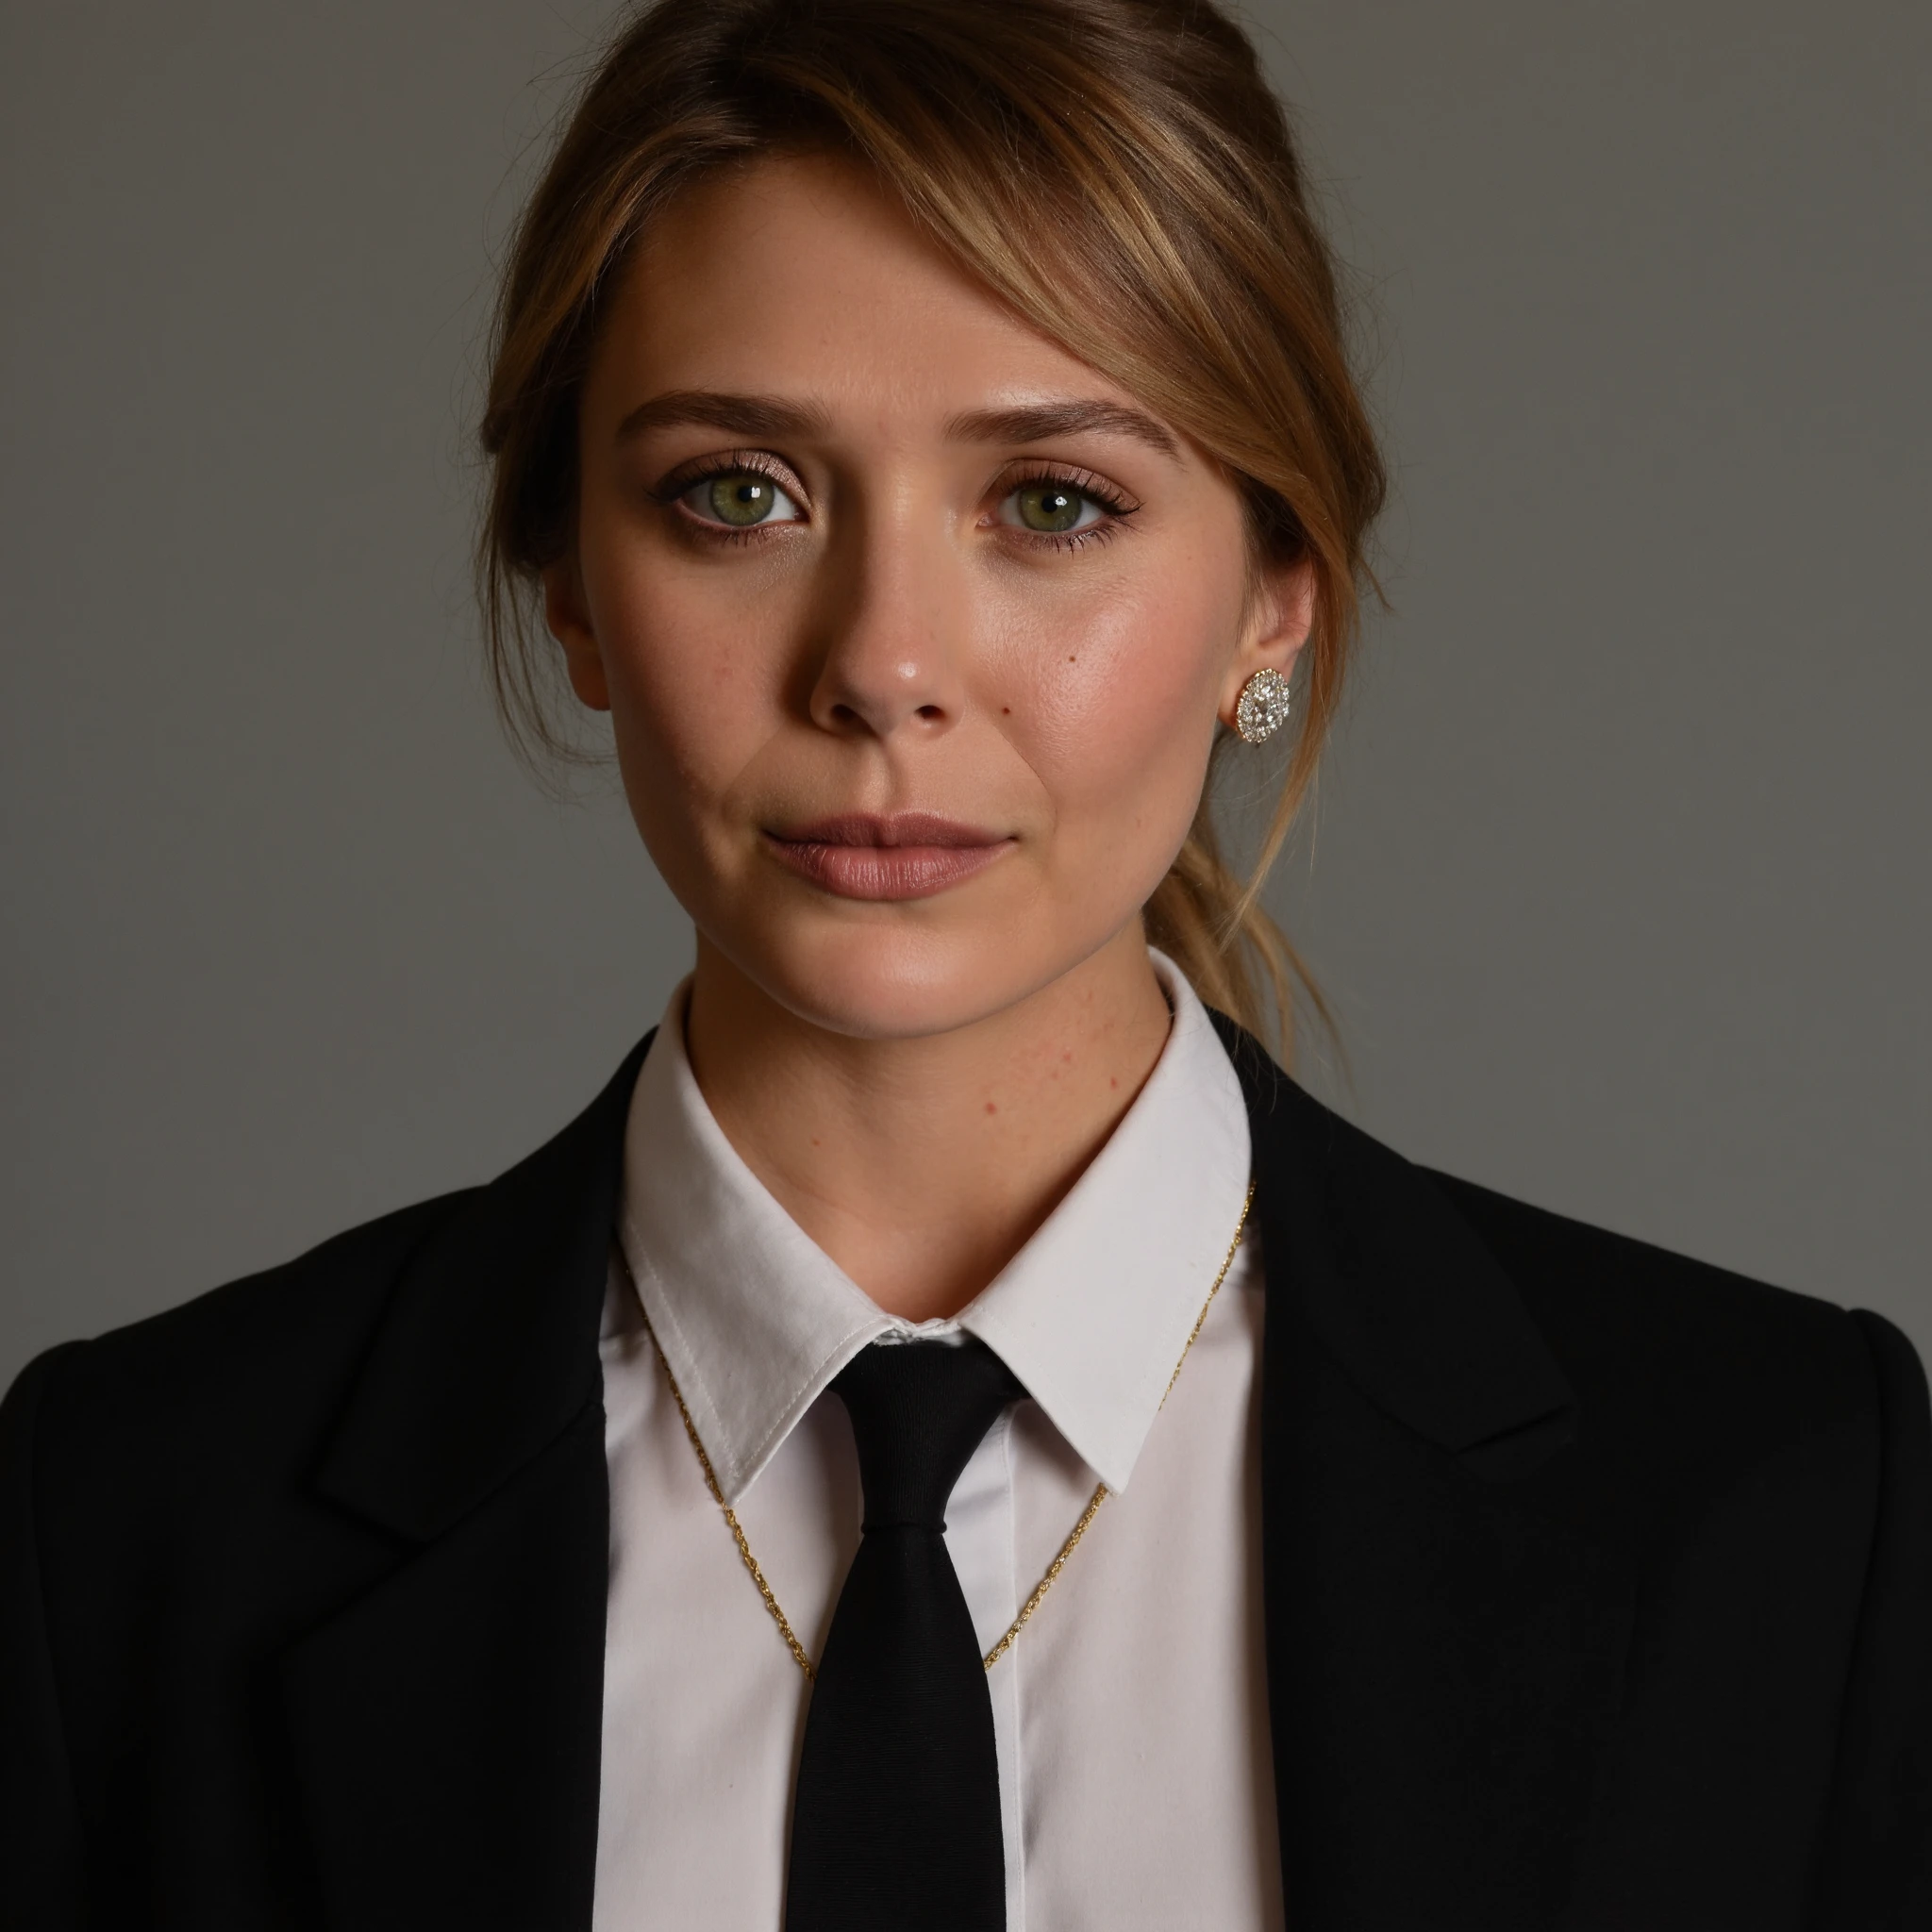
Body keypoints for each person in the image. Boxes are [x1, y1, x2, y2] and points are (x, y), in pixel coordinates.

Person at [3, 0, 1926, 1924]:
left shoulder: (1776, 1504)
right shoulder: (126, 1529)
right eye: (735, 493)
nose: (882, 663)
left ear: (1274, 591)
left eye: (1052, 503)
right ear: (571, 585)